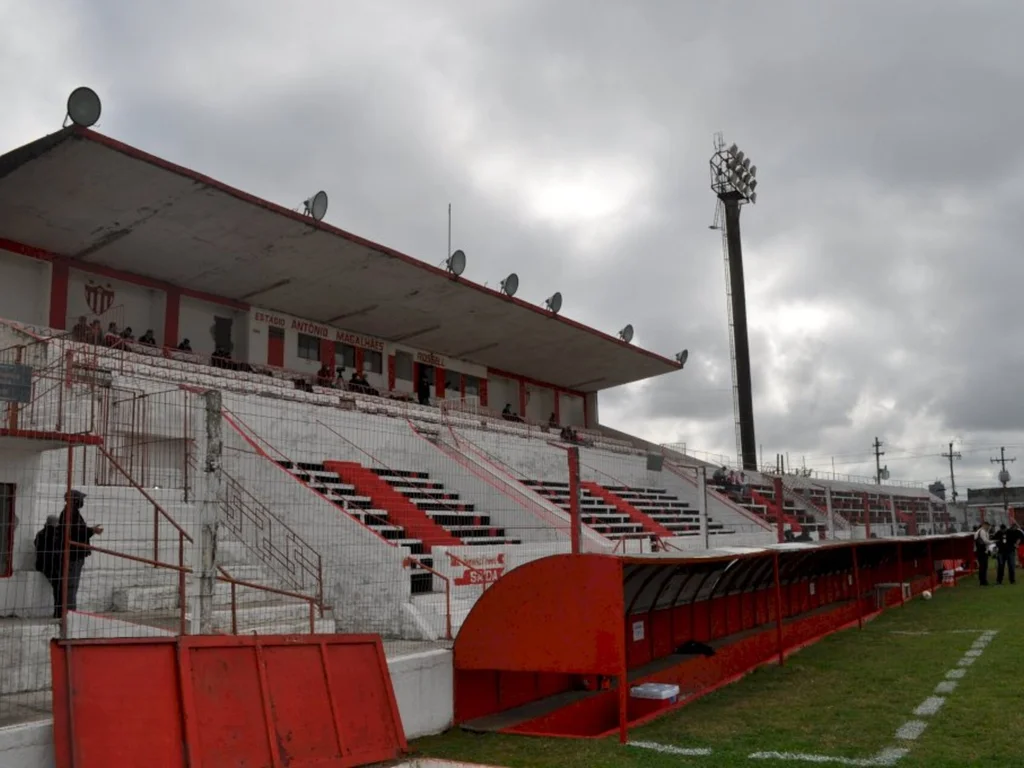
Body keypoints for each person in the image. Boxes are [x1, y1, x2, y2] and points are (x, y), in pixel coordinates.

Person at [55, 490, 103, 616]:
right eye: (80, 499)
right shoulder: (69, 513)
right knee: (71, 585)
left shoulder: (72, 513)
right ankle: (69, 614)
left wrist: (91, 530)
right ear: (75, 500)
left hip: (75, 554)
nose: (82, 502)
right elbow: (75, 532)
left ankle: (68, 612)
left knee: (72, 585)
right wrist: (92, 530)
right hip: (73, 555)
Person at [996, 521, 1023, 585]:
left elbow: (1019, 537)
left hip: (1010, 552)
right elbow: (994, 539)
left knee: (1011, 566)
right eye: (1002, 530)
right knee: (1000, 567)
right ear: (1000, 529)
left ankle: (1012, 580)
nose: (1003, 531)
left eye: (1004, 530)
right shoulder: (998, 533)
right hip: (1001, 552)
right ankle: (999, 581)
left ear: (1006, 528)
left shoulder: (1011, 532)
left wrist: (1016, 544)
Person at [975, 521, 993, 586]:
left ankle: (983, 580)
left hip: (983, 551)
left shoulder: (984, 531)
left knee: (984, 566)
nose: (988, 527)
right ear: (984, 525)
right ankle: (983, 581)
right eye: (988, 526)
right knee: (983, 566)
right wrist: (992, 542)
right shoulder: (982, 531)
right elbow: (985, 541)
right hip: (981, 551)